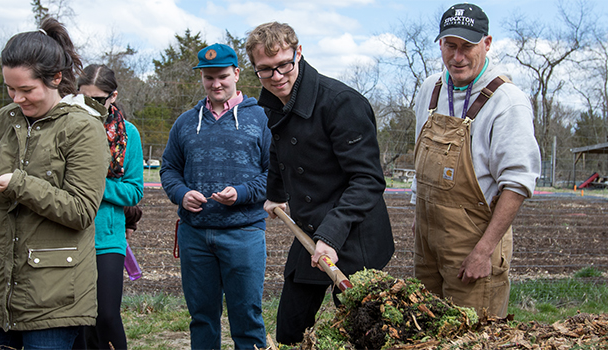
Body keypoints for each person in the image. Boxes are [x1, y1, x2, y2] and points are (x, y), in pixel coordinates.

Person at [0, 18, 111, 350]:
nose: (16, 98)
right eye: (9, 89)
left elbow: (81, 210)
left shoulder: (83, 128)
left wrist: (17, 184)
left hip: (54, 296)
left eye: (26, 89)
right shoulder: (6, 118)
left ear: (55, 78)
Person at [245, 22, 395, 345]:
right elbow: (278, 147)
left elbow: (368, 179)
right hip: (310, 230)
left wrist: (331, 235)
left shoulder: (341, 103)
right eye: (265, 70)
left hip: (355, 234)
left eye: (284, 64)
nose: (277, 76)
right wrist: (275, 194)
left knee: (360, 333)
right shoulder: (275, 102)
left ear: (299, 53)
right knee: (290, 328)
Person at [410, 3, 541, 318]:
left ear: (487, 43)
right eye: (450, 46)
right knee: (425, 330)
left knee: (473, 336)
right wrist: (419, 215)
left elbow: (518, 184)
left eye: (467, 46)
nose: (457, 57)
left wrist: (484, 251)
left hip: (473, 245)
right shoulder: (431, 88)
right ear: (440, 44)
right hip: (427, 242)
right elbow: (421, 163)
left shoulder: (507, 102)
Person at [160, 43, 270, 350]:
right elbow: (168, 168)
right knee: (202, 318)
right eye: (208, 78)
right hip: (195, 236)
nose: (216, 84)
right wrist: (181, 194)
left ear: (236, 73)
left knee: (247, 318)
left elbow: (275, 174)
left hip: (244, 234)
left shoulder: (261, 119)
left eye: (222, 76)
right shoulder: (185, 122)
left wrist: (243, 193)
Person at [73, 64, 144, 350]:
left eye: (97, 100)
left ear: (112, 97)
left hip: (107, 239)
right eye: (83, 99)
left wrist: (94, 185)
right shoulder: (66, 127)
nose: (89, 106)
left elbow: (134, 191)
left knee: (106, 317)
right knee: (77, 321)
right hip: (70, 235)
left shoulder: (129, 135)